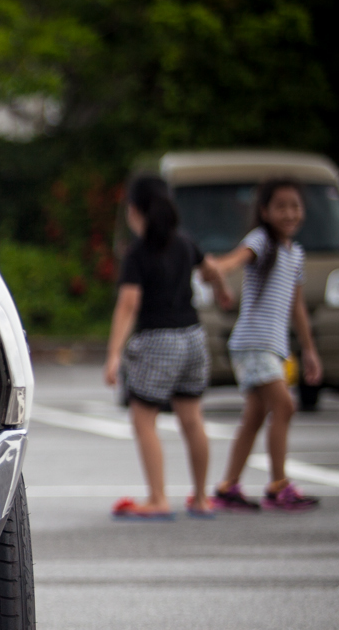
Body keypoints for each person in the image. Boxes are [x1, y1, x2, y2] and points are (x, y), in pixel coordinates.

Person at [104, 175, 228, 519]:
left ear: (133, 211)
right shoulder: (186, 243)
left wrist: (114, 355)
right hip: (193, 338)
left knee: (144, 420)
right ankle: (202, 498)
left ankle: (158, 498)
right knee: (192, 419)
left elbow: (128, 304)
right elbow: (211, 269)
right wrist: (222, 291)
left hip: (158, 340)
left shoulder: (138, 253)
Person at [207, 178, 322, 511]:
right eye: (281, 206)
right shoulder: (261, 241)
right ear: (264, 211)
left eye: (295, 206)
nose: (289, 213)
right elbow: (237, 259)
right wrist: (218, 269)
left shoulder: (294, 254)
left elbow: (296, 306)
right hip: (253, 343)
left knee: (255, 417)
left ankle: (227, 487)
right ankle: (278, 486)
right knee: (284, 406)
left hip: (271, 345)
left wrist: (309, 349)